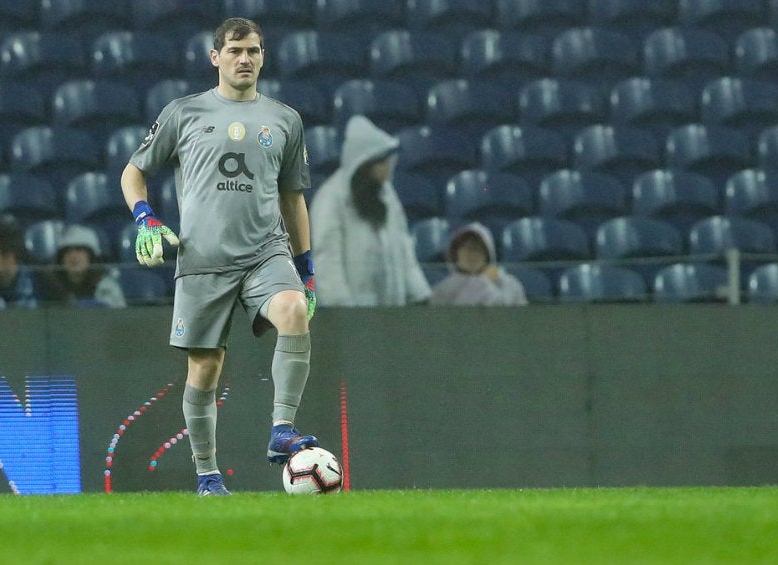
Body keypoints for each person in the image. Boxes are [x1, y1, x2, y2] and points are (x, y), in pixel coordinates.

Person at [120, 17, 318, 496]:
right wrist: (145, 218)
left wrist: (306, 270)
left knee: (293, 309)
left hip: (264, 252)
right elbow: (132, 172)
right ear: (215, 58)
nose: (244, 59)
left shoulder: (284, 119)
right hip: (203, 259)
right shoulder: (183, 113)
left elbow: (293, 198)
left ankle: (281, 430)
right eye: (234, 51)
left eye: (253, 50)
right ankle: (207, 474)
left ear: (263, 56)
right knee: (204, 370)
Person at [309, 115, 432, 306]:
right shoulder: (330, 199)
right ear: (365, 164)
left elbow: (404, 249)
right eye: (382, 162)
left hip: (392, 312)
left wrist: (420, 295)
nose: (388, 167)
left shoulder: (386, 194)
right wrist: (341, 311)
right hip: (353, 319)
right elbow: (327, 260)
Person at [429, 222, 528, 306]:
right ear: (455, 255)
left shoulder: (510, 285)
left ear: (488, 254)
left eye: (477, 248)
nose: (471, 254)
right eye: (466, 248)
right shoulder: (442, 290)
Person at [54, 225, 126, 308]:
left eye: (79, 250)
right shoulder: (51, 289)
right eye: (67, 251)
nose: (73, 256)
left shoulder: (106, 287)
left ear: (91, 257)